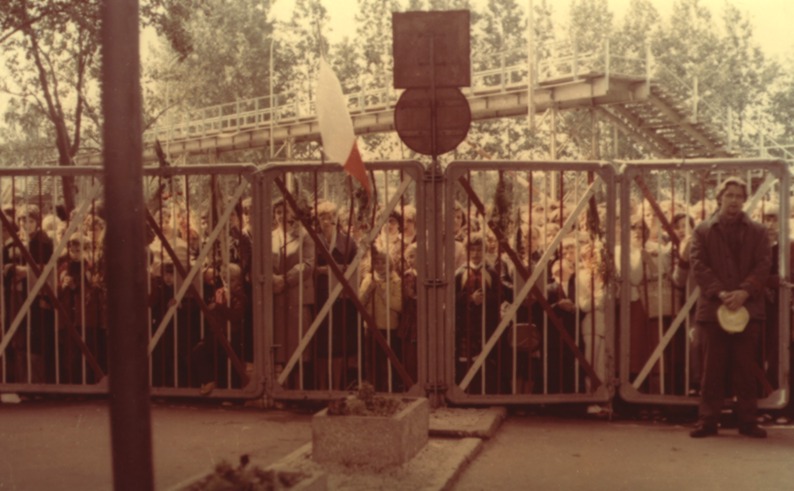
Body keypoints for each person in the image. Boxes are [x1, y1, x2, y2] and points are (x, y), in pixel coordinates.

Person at [689, 177, 771, 438]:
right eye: (729, 195)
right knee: (711, 368)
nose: (734, 200)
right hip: (714, 309)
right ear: (719, 198)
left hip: (748, 307)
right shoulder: (703, 230)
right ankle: (708, 420)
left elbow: (763, 264)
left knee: (745, 367)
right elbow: (698, 265)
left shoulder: (758, 232)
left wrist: (744, 291)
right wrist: (721, 292)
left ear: (744, 200)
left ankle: (748, 420)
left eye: (738, 196)